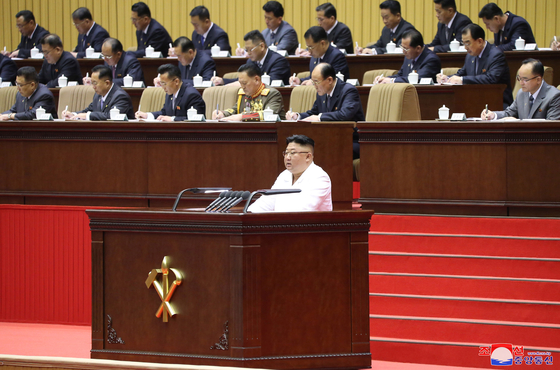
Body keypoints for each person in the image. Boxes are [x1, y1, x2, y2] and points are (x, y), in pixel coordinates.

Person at [286, 63, 363, 159]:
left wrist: (319, 118)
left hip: (352, 140)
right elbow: (313, 113)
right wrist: (297, 116)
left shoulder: (349, 91)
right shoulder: (322, 92)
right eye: (313, 82)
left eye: (316, 82)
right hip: (330, 139)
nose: (314, 86)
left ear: (329, 80)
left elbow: (345, 115)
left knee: (325, 151)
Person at [247, 134, 332, 213]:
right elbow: (267, 202)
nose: (287, 157)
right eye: (286, 153)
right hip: (282, 225)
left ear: (308, 157)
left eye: (292, 153)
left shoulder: (319, 177)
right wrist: (248, 214)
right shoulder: (284, 175)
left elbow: (302, 210)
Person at [437, 24, 513, 109]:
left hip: (497, 102)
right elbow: (462, 73)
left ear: (480, 41)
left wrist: (462, 80)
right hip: (476, 101)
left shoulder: (496, 55)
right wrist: (446, 78)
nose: (465, 48)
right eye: (463, 43)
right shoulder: (470, 56)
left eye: (468, 43)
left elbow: (491, 79)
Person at [481, 59, 560, 121]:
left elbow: (551, 127)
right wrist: (493, 115)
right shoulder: (521, 93)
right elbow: (509, 113)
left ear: (538, 80)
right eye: (519, 78)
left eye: (525, 80)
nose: (521, 83)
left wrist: (518, 122)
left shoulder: (554, 96)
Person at [215, 30, 291, 86]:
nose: (248, 53)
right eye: (246, 50)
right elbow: (243, 80)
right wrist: (223, 81)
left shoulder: (279, 61)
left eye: (250, 49)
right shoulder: (250, 61)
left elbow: (269, 82)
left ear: (262, 46)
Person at [212, 63, 285, 121]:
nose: (242, 87)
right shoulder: (244, 93)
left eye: (244, 83)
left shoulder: (272, 94)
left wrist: (242, 116)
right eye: (240, 83)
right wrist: (222, 113)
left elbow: (268, 115)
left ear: (256, 79)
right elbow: (235, 110)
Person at [136, 64, 205, 121]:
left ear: (176, 81)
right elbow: (164, 112)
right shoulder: (170, 92)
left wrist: (173, 119)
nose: (163, 87)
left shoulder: (191, 95)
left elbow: (196, 119)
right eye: (161, 84)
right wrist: (147, 115)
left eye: (164, 84)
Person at [63, 65, 134, 121]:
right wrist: (73, 114)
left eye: (95, 83)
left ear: (107, 83)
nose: (93, 87)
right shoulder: (98, 95)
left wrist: (88, 116)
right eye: (92, 83)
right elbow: (89, 110)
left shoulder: (120, 96)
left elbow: (111, 116)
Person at [375, 29, 441, 84]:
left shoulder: (431, 60)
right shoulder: (409, 56)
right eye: (402, 47)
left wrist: (391, 81)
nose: (403, 51)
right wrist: (385, 79)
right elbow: (400, 75)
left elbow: (416, 79)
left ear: (418, 48)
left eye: (405, 49)